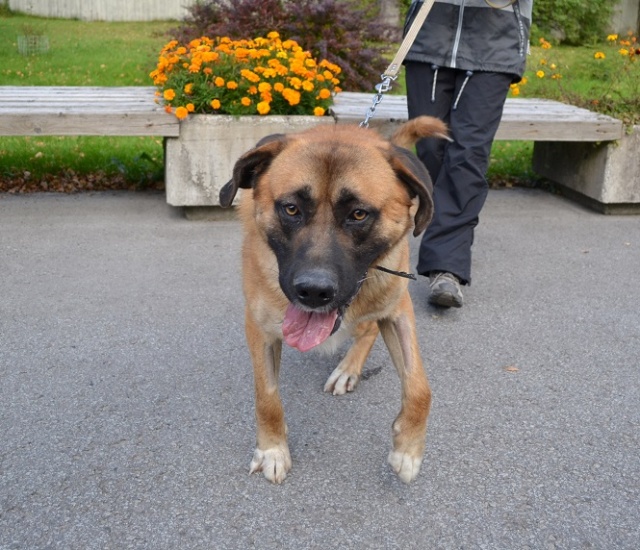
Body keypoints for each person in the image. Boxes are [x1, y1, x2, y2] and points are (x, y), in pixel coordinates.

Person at [403, 0, 533, 308]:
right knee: (429, 149)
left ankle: (445, 267)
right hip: (430, 33)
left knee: (468, 156)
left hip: (496, 42)